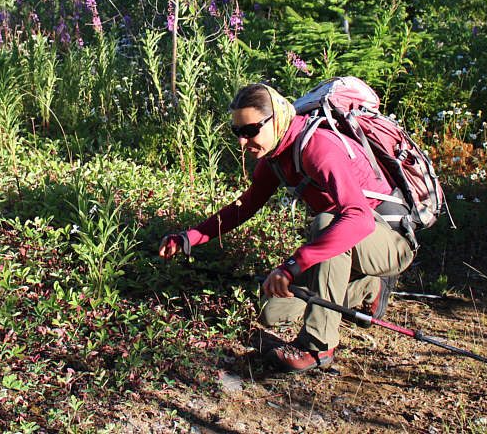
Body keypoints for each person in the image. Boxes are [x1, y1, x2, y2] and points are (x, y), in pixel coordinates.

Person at [159, 83, 416, 372]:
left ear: (276, 119)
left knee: (326, 222)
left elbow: (358, 218)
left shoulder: (319, 148)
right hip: (346, 243)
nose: (242, 142)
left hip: (390, 241)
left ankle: (318, 346)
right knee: (272, 310)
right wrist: (189, 238)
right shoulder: (276, 156)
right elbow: (245, 206)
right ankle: (369, 287)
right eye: (237, 132)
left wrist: (293, 266)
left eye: (250, 130)